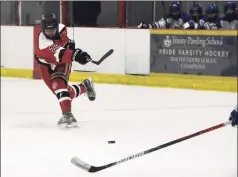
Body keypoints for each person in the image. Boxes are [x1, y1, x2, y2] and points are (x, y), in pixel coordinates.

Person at [34, 13, 96, 128]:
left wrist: (73, 49)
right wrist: (75, 55)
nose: (51, 32)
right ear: (43, 29)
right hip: (46, 66)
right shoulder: (42, 43)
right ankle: (85, 86)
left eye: (53, 29)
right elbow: (59, 53)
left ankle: (67, 115)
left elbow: (66, 43)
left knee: (58, 85)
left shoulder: (62, 29)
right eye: (48, 31)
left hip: (62, 62)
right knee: (62, 93)